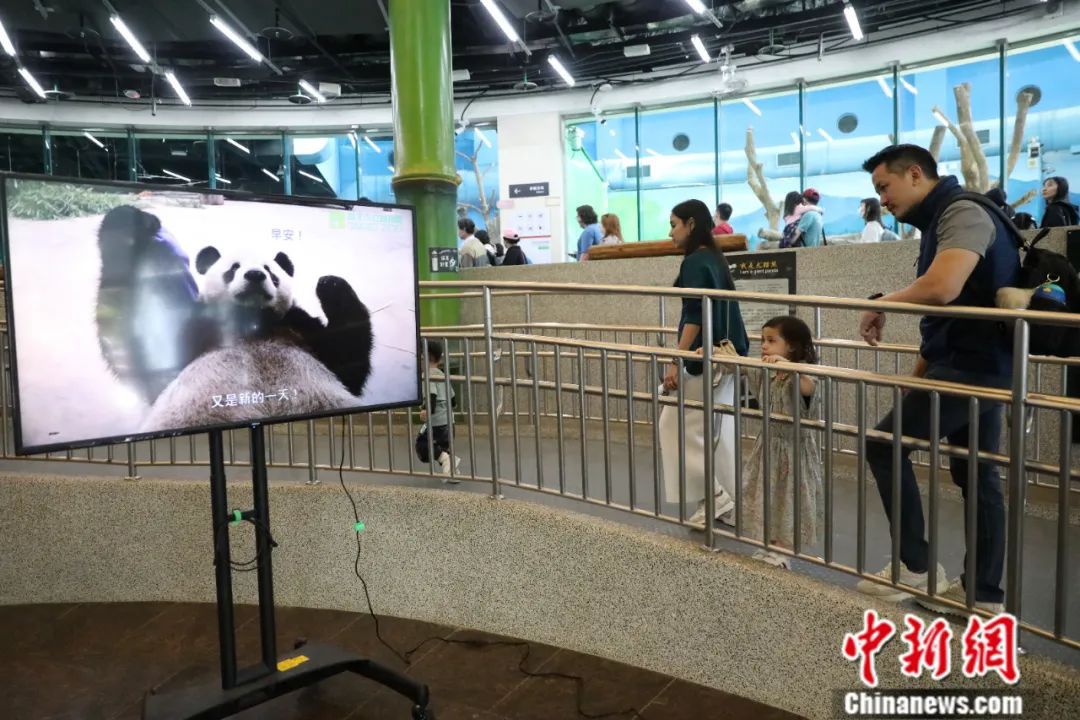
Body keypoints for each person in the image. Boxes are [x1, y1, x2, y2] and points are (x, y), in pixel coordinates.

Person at [856, 144, 1020, 616]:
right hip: (976, 364)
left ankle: (916, 567)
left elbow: (943, 288)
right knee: (977, 475)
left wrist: (880, 303)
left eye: (885, 187)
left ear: (915, 174)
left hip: (973, 368)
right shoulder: (940, 220)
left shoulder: (962, 212)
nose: (883, 200)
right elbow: (947, 314)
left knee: (885, 445)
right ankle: (983, 595)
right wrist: (919, 374)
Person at [660, 199, 750, 527]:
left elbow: (694, 315)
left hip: (704, 357)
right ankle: (725, 503)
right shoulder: (714, 257)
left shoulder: (695, 261)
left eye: (674, 224)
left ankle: (715, 496)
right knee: (718, 433)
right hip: (727, 355)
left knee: (673, 425)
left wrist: (676, 359)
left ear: (691, 224)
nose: (670, 233)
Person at [740, 316, 822, 569]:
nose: (764, 345)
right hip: (768, 446)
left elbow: (809, 388)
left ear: (792, 346)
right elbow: (739, 366)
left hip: (793, 451)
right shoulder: (767, 371)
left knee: (789, 498)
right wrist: (716, 353)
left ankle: (783, 550)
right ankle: (769, 543)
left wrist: (790, 367)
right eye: (762, 340)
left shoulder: (802, 374)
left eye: (771, 340)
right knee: (768, 494)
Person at [415, 340, 460, 481]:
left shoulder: (427, 375)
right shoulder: (442, 374)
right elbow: (453, 399)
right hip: (449, 422)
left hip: (436, 423)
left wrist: (426, 410)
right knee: (443, 448)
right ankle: (452, 472)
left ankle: (447, 460)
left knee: (422, 445)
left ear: (424, 357)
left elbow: (431, 395)